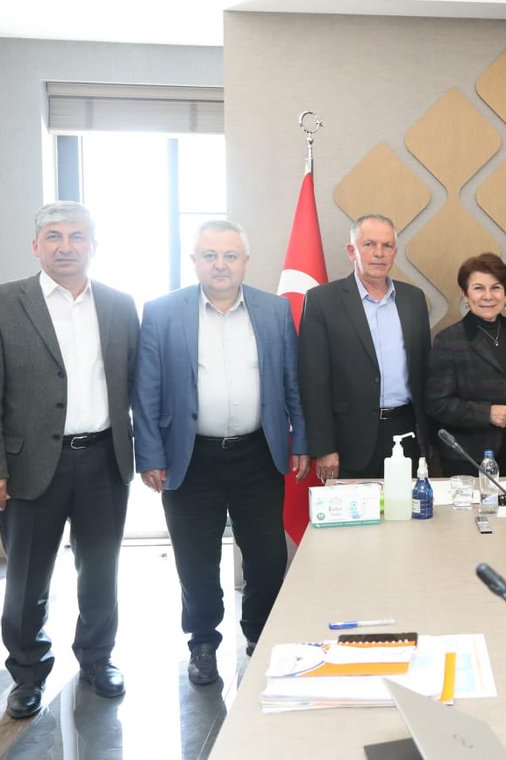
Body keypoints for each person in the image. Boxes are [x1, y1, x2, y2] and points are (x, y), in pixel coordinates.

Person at [0, 202, 139, 718]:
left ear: (93, 246)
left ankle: (98, 658)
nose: (66, 246)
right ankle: (27, 673)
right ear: (35, 246)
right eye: (54, 236)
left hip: (104, 459)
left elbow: (135, 385)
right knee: (27, 579)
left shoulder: (119, 304)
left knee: (101, 571)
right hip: (29, 468)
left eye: (77, 236)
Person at [133, 220, 308, 685]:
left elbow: (292, 382)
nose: (220, 265)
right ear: (195, 261)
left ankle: (260, 637)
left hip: (258, 454)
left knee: (267, 557)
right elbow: (145, 391)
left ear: (245, 262)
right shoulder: (162, 312)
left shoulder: (273, 310)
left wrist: (302, 441)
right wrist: (149, 454)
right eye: (209, 255)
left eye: (230, 255)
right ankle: (203, 642)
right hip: (190, 458)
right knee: (196, 561)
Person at [299, 214, 431, 481]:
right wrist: (324, 447)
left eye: (387, 246)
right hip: (349, 439)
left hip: (406, 433)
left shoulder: (414, 299)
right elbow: (313, 381)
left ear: (394, 253)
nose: (379, 253)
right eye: (369, 244)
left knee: (406, 508)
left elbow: (424, 372)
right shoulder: (322, 301)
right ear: (352, 251)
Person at [426, 253, 506, 476]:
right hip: (466, 457)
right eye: (478, 288)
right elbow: (436, 404)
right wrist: (486, 413)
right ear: (465, 294)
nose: (488, 296)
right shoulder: (449, 340)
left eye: (496, 288)